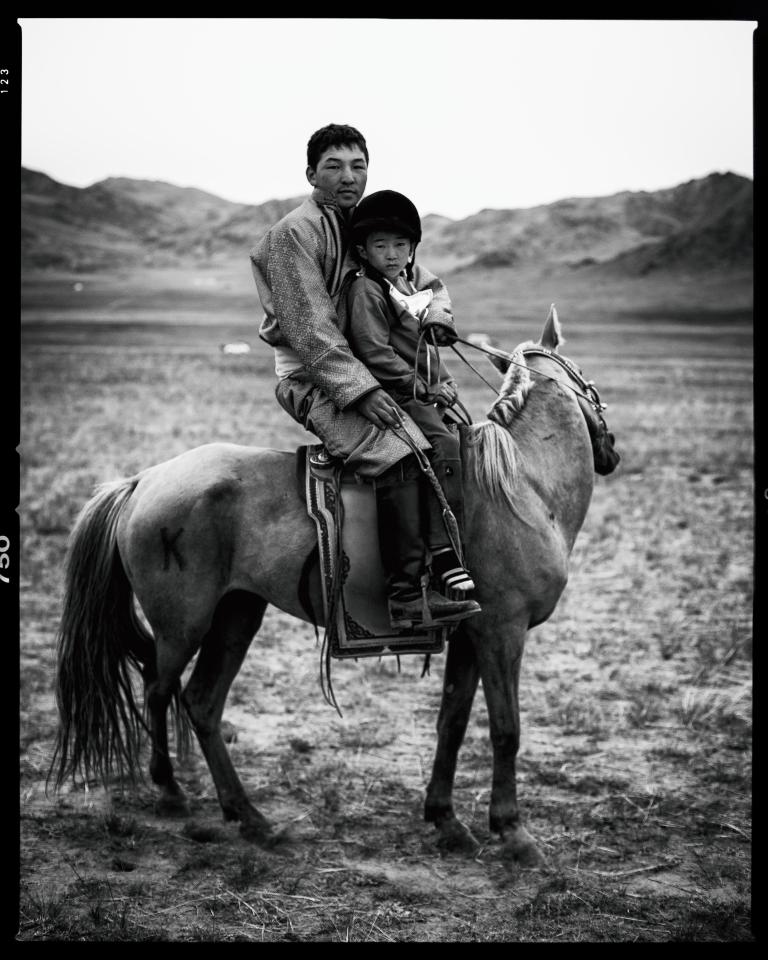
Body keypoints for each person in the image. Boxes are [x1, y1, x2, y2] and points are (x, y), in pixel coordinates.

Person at [249, 124, 480, 630]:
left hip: (369, 371)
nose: (348, 177)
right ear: (311, 173)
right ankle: (404, 598)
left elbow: (419, 281)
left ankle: (447, 560)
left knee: (444, 440)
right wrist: (365, 390)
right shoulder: (294, 235)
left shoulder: (365, 227)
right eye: (334, 166)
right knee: (398, 448)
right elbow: (310, 330)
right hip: (312, 376)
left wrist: (439, 315)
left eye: (358, 166)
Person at [346, 190, 477, 599]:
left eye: (399, 245)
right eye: (380, 245)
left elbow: (436, 296)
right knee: (441, 444)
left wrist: (441, 330)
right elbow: (374, 352)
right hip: (395, 393)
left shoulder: (406, 282)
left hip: (419, 389)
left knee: (468, 431)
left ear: (412, 249)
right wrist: (421, 387)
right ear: (363, 250)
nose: (391, 254)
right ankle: (442, 553)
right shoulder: (367, 289)